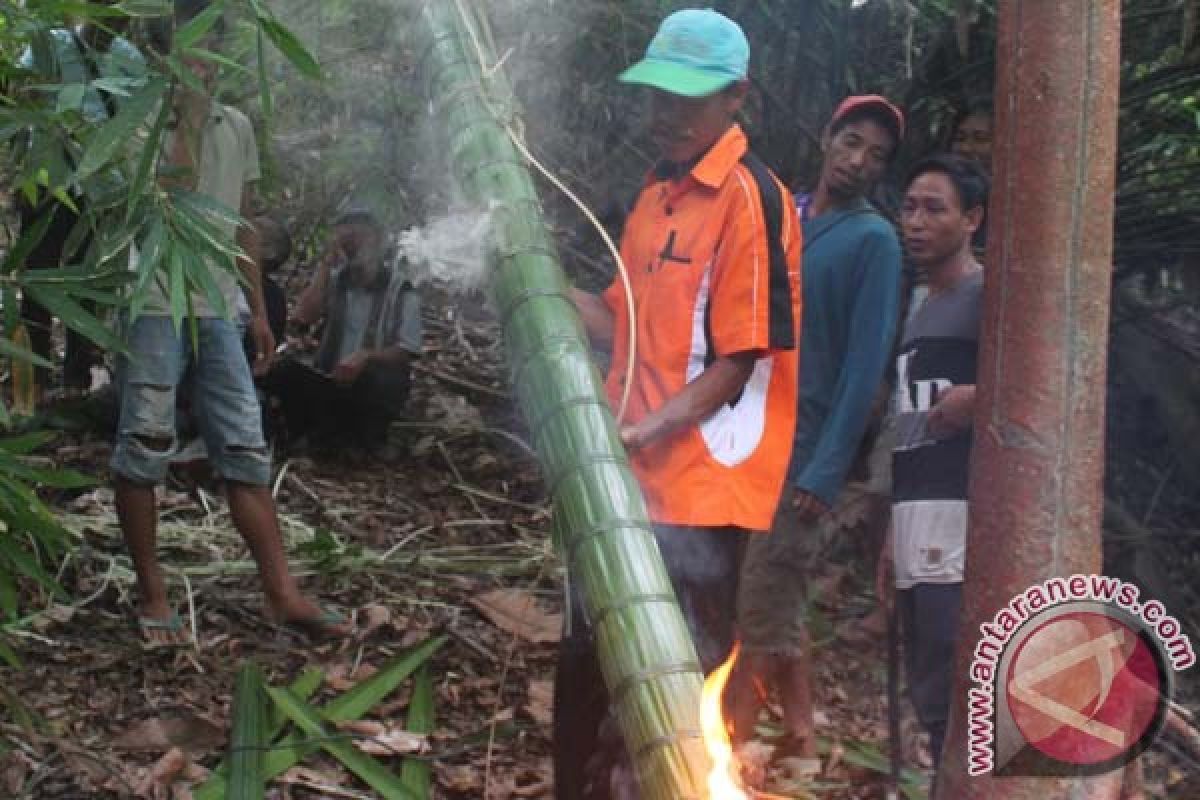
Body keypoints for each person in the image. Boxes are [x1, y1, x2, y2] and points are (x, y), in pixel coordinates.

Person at [556, 9, 802, 798]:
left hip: (701, 489)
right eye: (657, 93)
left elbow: (740, 356)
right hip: (627, 480)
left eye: (687, 96)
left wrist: (646, 429)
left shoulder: (752, 199)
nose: (666, 112)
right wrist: (534, 286)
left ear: (737, 97)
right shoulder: (654, 198)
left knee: (665, 695)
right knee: (585, 675)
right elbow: (614, 323)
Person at [111, 0, 349, 645]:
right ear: (161, 57)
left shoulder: (236, 125)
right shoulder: (134, 125)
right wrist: (182, 116)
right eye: (190, 50)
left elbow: (241, 221)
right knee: (145, 444)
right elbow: (173, 195)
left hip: (218, 306)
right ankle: (153, 593)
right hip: (155, 301)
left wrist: (260, 312)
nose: (204, 64)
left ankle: (282, 594)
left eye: (210, 48)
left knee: (244, 446)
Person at [729, 95, 904, 771]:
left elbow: (865, 369)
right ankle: (801, 737)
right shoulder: (786, 212)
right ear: (829, 136)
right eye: (852, 141)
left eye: (877, 155)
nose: (858, 161)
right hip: (743, 433)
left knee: (760, 606)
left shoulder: (874, 242)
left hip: (802, 451)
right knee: (768, 596)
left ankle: (728, 751)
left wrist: (828, 471)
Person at [877, 154, 988, 779]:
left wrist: (981, 396)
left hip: (963, 513)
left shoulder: (988, 295)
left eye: (934, 209)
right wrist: (894, 528)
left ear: (972, 219)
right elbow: (909, 426)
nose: (915, 222)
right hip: (917, 514)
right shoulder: (921, 308)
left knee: (953, 669)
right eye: (909, 207)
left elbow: (1038, 384)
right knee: (925, 677)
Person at [15, 11, 145, 395]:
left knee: (86, 284)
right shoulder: (50, 45)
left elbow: (134, 128)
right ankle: (34, 378)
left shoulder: (130, 59)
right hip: (48, 184)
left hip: (99, 191)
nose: (112, 21)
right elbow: (24, 100)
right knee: (36, 278)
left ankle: (76, 378)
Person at [267, 208, 422, 448]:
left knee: (384, 377)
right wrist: (325, 266)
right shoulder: (337, 280)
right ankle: (314, 433)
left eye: (361, 238)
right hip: (330, 381)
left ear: (378, 242)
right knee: (284, 371)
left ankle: (358, 438)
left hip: (370, 387)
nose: (356, 248)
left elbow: (407, 348)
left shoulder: (400, 290)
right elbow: (302, 319)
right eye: (348, 241)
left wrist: (367, 356)